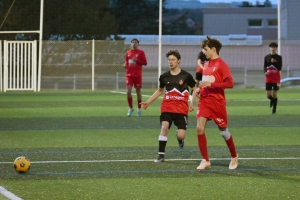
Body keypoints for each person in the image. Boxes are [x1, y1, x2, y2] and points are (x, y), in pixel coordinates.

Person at [190, 36, 238, 171]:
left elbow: (230, 83)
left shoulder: (222, 65)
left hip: (217, 102)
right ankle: (205, 160)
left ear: (213, 49)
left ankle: (234, 156)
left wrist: (212, 84)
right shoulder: (205, 65)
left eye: (205, 49)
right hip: (204, 100)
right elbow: (205, 80)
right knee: (199, 128)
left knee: (223, 132)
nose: (203, 52)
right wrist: (201, 88)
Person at [141, 50, 196, 162]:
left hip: (181, 109)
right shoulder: (164, 77)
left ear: (178, 61)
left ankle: (179, 139)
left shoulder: (186, 76)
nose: (171, 62)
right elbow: (160, 90)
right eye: (169, 60)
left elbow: (195, 89)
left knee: (181, 135)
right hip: (167, 107)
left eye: (173, 60)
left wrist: (192, 103)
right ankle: (161, 156)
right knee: (164, 127)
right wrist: (148, 102)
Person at [124, 38, 147, 116]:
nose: (134, 43)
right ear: (131, 44)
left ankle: (139, 109)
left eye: (135, 42)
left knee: (138, 92)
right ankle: (131, 108)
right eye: (133, 42)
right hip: (129, 75)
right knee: (128, 91)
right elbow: (126, 62)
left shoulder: (141, 53)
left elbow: (145, 63)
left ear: (138, 44)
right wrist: (125, 65)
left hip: (137, 75)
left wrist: (137, 61)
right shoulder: (128, 53)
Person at [264, 42, 282, 114]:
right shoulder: (267, 57)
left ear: (276, 49)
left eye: (274, 47)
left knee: (275, 95)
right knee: (268, 95)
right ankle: (271, 100)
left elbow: (279, 68)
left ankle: (274, 110)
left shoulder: (279, 57)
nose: (273, 49)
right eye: (272, 47)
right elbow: (264, 66)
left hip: (276, 78)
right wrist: (265, 72)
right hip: (268, 78)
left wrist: (274, 62)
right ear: (270, 48)